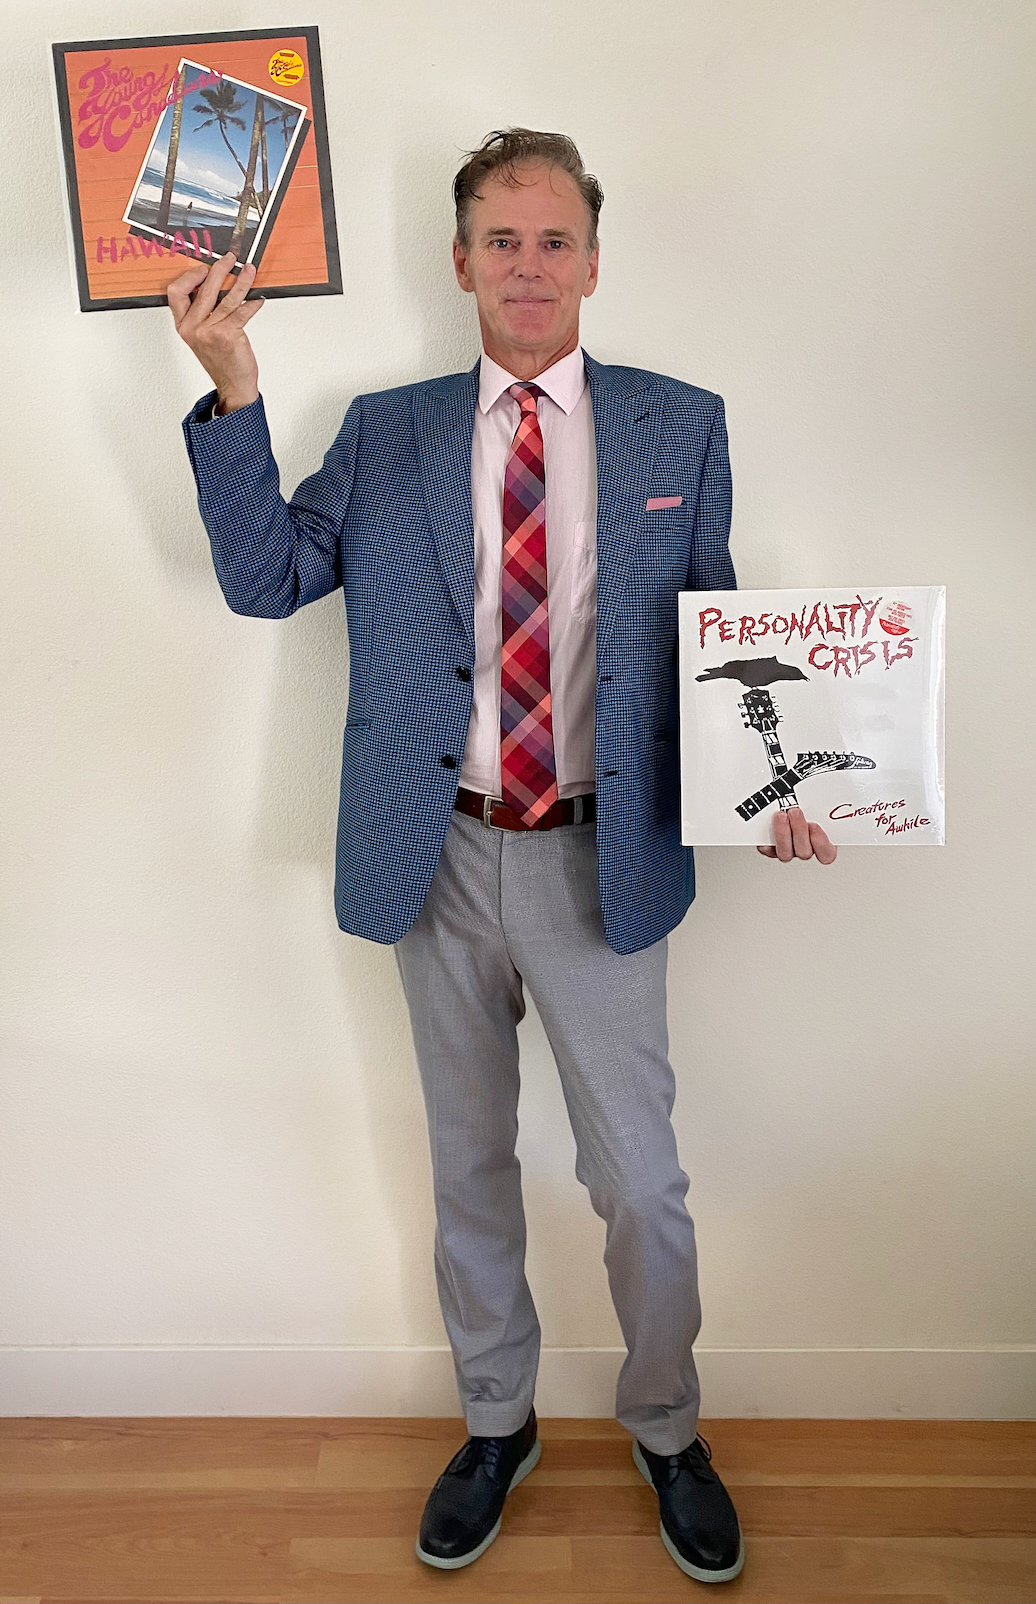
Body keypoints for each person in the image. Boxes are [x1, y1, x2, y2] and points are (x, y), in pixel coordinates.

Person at [168, 127, 837, 1587]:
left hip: (606, 859)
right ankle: (495, 1422)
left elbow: (718, 637)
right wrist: (233, 387)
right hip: (440, 856)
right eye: (500, 240)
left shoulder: (680, 426)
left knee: (641, 1183)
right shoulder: (385, 431)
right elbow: (267, 580)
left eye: (553, 241)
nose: (528, 266)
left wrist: (778, 783)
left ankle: (668, 1428)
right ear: (461, 260)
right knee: (469, 1164)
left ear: (592, 262)